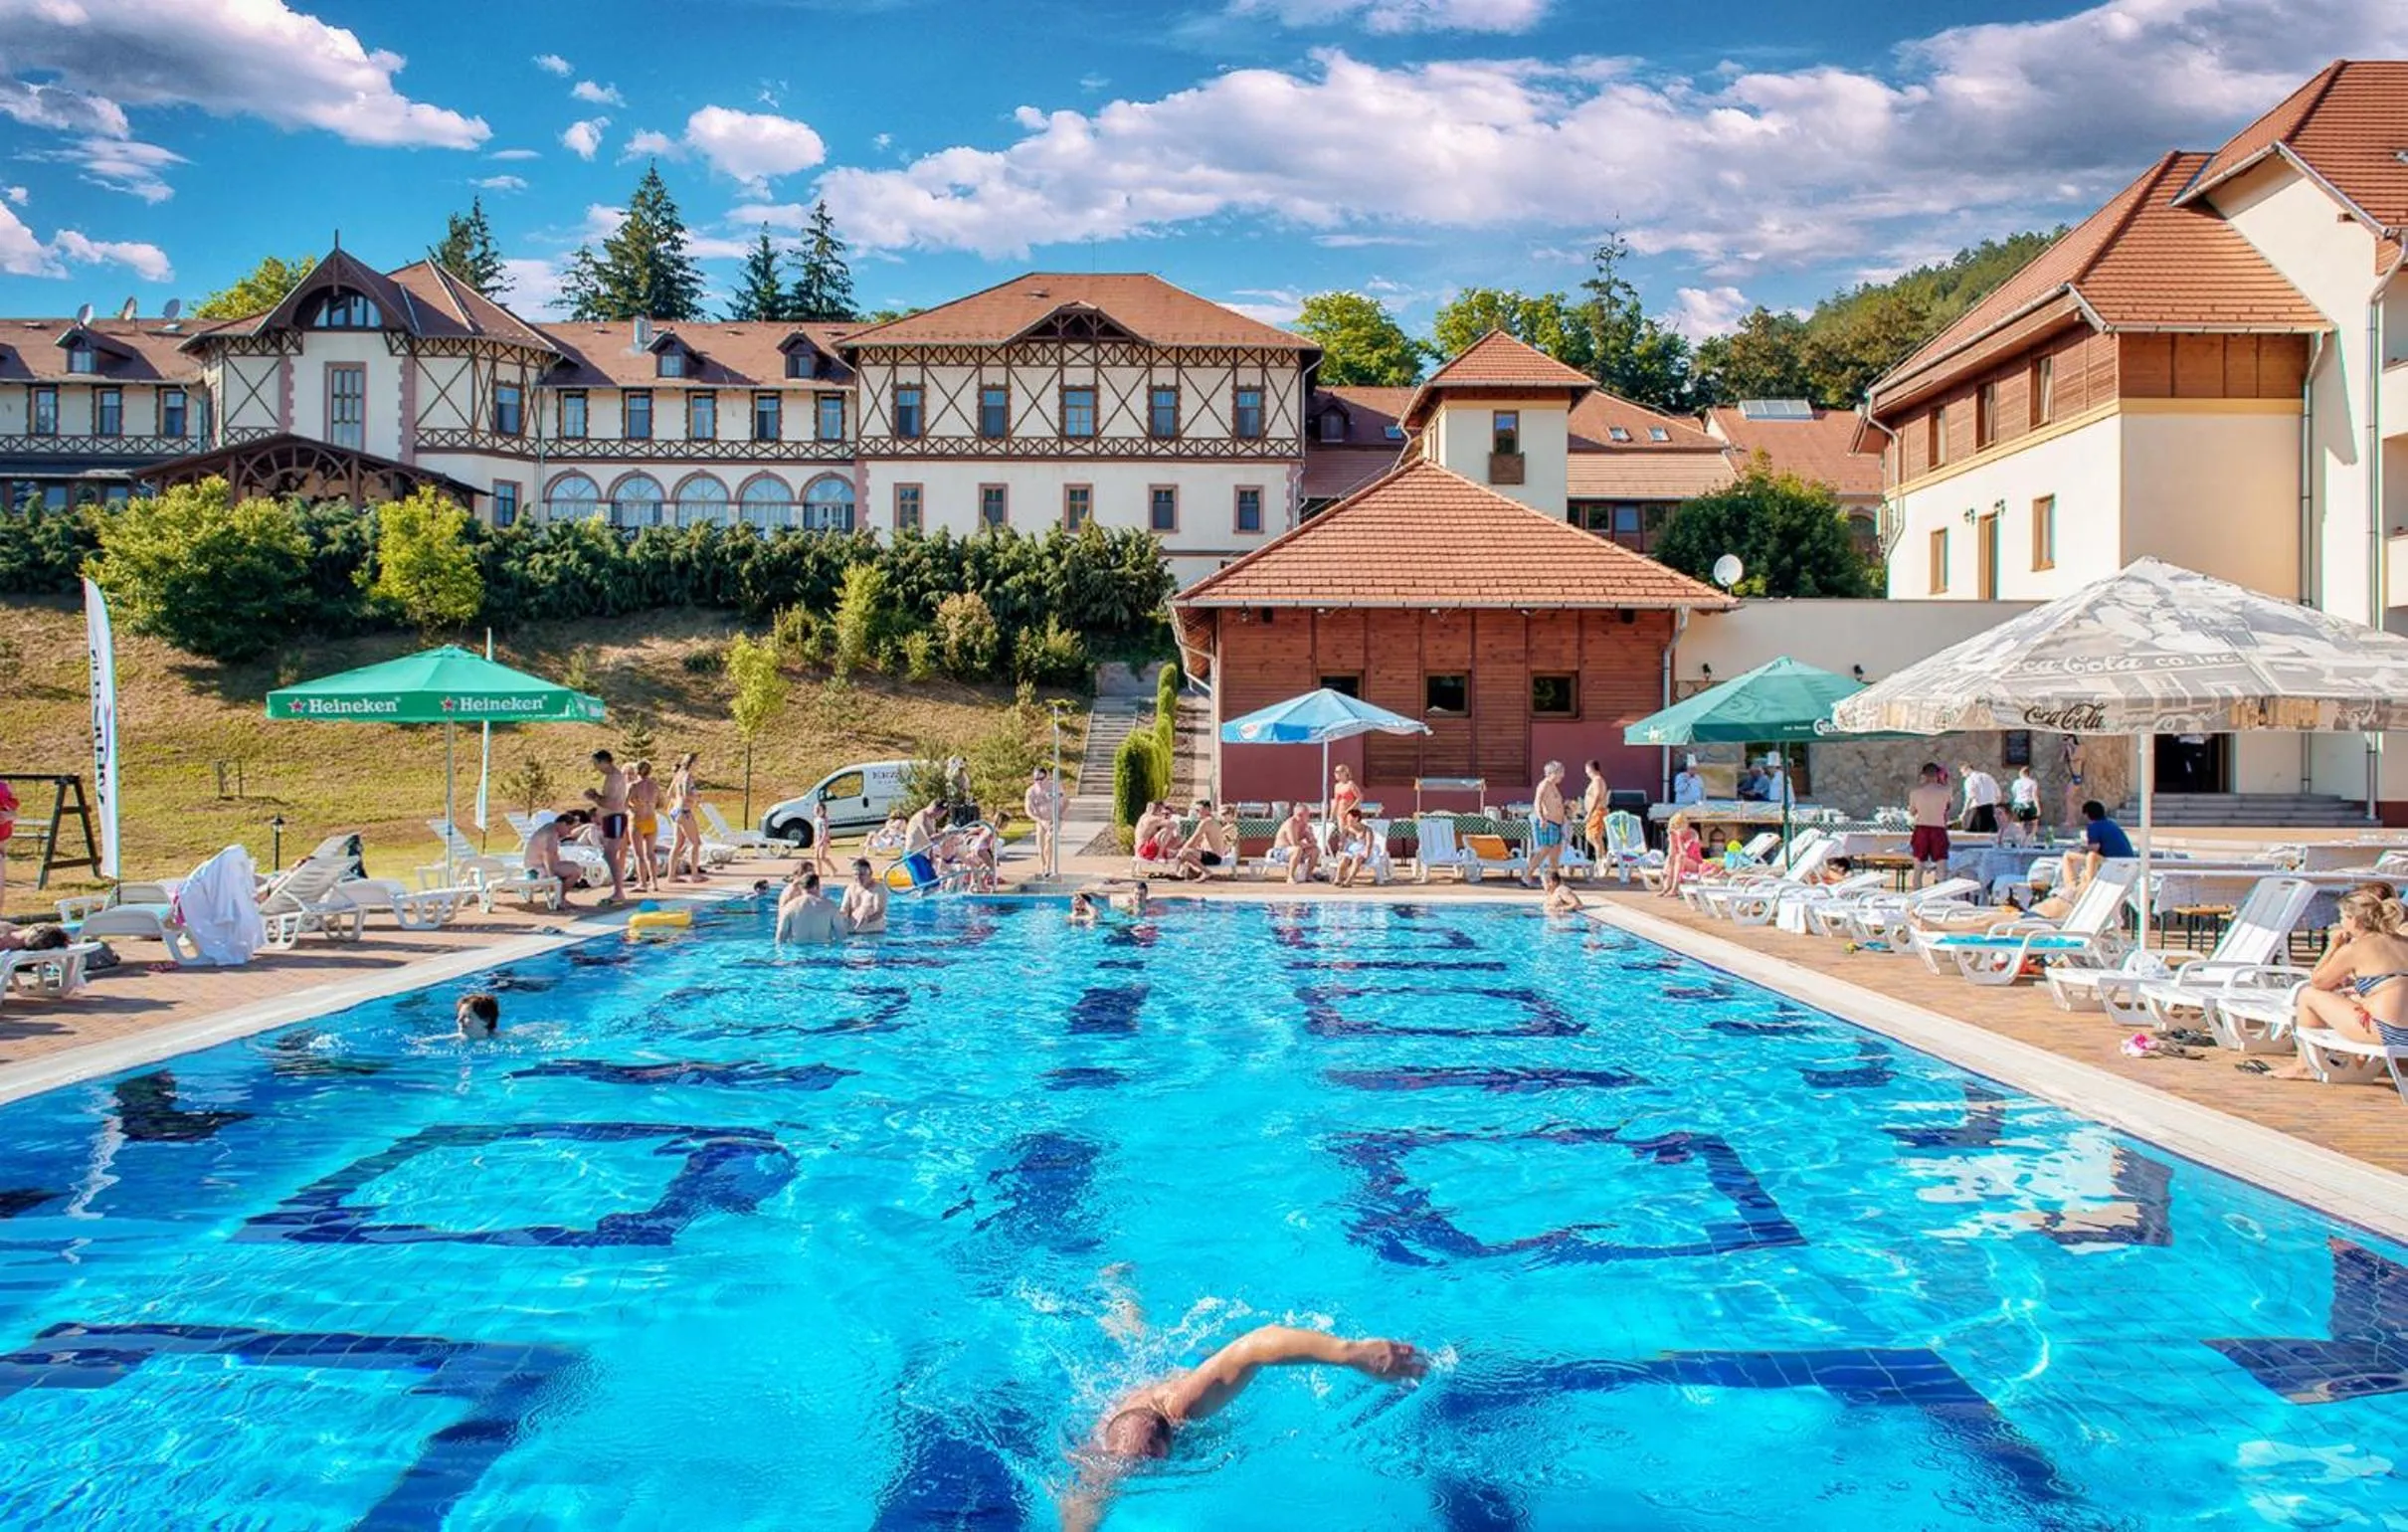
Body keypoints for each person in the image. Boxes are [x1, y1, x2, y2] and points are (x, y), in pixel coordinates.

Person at [1062, 1322, 1425, 1531]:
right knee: (1133, 1339)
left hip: (1187, 1368)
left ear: (1167, 1445)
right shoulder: (1104, 1462)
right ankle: (1122, 1297)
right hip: (1129, 1391)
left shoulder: (1184, 1405)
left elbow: (1253, 1346)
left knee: (1176, 1349)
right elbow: (1081, 1512)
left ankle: (1124, 1298)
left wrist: (1351, 1353)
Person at [2274, 888, 2408, 1080]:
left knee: (2308, 995)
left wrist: (2333, 946)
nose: (2340, 923)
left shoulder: (2356, 949)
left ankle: (2304, 1065)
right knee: (2355, 999)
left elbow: (2318, 982)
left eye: (2342, 917)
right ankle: (2357, 1066)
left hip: (2388, 1033)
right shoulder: (2404, 941)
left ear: (2353, 919)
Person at [583, 751, 631, 905]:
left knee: (610, 854)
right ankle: (618, 891)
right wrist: (597, 796)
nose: (595, 767)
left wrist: (594, 797)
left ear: (604, 762)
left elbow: (613, 804)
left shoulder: (614, 778)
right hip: (612, 818)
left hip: (615, 818)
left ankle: (619, 892)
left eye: (596, 764)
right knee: (609, 854)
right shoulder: (613, 777)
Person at [2059, 799, 2135, 892]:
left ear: (2087, 814)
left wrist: (2082, 847)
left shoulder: (2094, 826)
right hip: (2128, 861)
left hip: (2112, 862)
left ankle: (2070, 888)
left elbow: (2094, 848)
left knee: (2068, 856)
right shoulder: (2111, 823)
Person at [1908, 763, 1954, 888]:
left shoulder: (1915, 792)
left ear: (1923, 775)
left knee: (1918, 866)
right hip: (1938, 827)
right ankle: (1941, 893)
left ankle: (1916, 892)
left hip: (1921, 827)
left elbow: (1912, 812)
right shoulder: (1946, 791)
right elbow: (1947, 808)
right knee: (1941, 863)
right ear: (1937, 774)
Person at [522, 810, 585, 904]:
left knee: (574, 866)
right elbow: (548, 853)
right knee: (576, 870)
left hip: (536, 867)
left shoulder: (550, 829)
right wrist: (552, 876)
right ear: (563, 824)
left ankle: (559, 897)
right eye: (569, 829)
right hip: (536, 870)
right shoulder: (551, 833)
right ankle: (558, 899)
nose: (568, 833)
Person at [665, 752, 707, 885]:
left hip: (676, 811)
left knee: (678, 844)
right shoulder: (688, 775)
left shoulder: (678, 774)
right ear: (693, 763)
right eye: (697, 763)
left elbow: (669, 793)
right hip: (684, 811)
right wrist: (696, 797)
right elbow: (686, 792)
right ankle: (694, 875)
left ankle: (671, 875)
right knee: (696, 843)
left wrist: (676, 801)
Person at [1528, 760, 1569, 886]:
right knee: (1544, 850)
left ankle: (1555, 881)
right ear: (1553, 772)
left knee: (1555, 854)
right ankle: (1527, 875)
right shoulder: (1544, 785)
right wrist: (1541, 818)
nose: (1563, 775)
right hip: (1548, 822)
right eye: (1561, 772)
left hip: (1556, 823)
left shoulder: (1553, 786)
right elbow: (1537, 802)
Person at [776, 867, 842, 943]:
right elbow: (841, 935)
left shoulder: (789, 907)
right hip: (822, 950)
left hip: (797, 952)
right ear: (817, 886)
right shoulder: (830, 906)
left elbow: (780, 937)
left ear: (801, 887)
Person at [626, 761, 661, 893]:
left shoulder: (633, 786)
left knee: (639, 854)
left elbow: (623, 804)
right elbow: (661, 803)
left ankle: (642, 883)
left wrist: (632, 808)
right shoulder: (655, 786)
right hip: (651, 819)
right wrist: (649, 805)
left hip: (638, 820)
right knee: (650, 853)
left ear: (636, 771)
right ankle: (655, 882)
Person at [1178, 798, 1231, 879]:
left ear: (1207, 809)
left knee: (1185, 853)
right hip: (1214, 856)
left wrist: (1182, 851)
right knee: (1186, 853)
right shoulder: (1212, 821)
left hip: (1214, 857)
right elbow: (1196, 842)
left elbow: (1194, 838)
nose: (1196, 812)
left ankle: (1206, 872)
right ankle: (1183, 872)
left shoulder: (1206, 822)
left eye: (1198, 809)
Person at [1025, 766, 1065, 876]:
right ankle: (1043, 865)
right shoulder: (1031, 791)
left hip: (1053, 819)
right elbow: (1028, 810)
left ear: (1046, 776)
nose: (1038, 781)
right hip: (1040, 820)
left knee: (1049, 840)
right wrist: (1040, 821)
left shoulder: (1055, 787)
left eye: (1041, 778)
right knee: (1040, 844)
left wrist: (1059, 817)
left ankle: (1048, 866)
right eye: (1036, 779)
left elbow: (1066, 802)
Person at [1655, 812, 1704, 898]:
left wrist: (1679, 838)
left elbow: (1684, 853)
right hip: (1679, 863)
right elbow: (1671, 853)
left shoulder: (1693, 834)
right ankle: (1666, 888)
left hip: (1694, 864)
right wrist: (1671, 839)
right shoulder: (1674, 835)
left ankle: (1674, 888)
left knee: (1680, 857)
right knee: (1670, 858)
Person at [1270, 803, 1320, 883]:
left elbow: (1314, 842)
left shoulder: (1304, 825)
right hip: (1281, 852)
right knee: (1297, 849)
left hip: (1295, 852)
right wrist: (1310, 844)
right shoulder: (1291, 824)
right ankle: (1290, 876)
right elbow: (1294, 843)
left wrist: (1310, 834)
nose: (1309, 817)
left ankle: (1308, 875)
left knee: (1315, 850)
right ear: (1300, 815)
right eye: (1307, 815)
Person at [839, 857, 887, 934]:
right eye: (855, 875)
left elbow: (879, 911)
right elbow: (844, 909)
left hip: (873, 933)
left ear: (870, 873)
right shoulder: (851, 888)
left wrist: (866, 919)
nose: (858, 878)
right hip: (852, 932)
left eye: (862, 874)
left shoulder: (878, 888)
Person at [1957, 761, 2002, 836]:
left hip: (1977, 810)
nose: (1963, 775)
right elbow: (1998, 794)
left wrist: (1964, 812)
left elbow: (1970, 797)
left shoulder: (1970, 780)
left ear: (1967, 769)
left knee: (1973, 834)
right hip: (1990, 808)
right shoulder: (1988, 776)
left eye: (1962, 773)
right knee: (1990, 834)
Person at [1579, 761, 1609, 862]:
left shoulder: (1597, 780)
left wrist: (1590, 812)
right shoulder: (1596, 780)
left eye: (1586, 769)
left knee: (1595, 837)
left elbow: (1597, 796)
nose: (1586, 772)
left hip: (1597, 811)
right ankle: (1602, 859)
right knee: (1592, 837)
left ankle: (1601, 861)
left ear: (1590, 769)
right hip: (1595, 812)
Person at [2007, 766, 2042, 846]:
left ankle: (2021, 840)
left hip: (2018, 804)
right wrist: (2038, 807)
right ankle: (2029, 839)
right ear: (2028, 774)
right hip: (2028, 804)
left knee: (2020, 824)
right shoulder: (2032, 782)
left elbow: (2014, 794)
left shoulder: (2016, 782)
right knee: (2034, 823)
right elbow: (2034, 796)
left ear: (2021, 773)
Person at [2061, 736, 2087, 834]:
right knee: (2069, 798)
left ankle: (2070, 820)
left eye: (2067, 738)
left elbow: (2073, 758)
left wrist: (2069, 748)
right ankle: (2071, 819)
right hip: (2072, 777)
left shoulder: (2079, 748)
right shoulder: (2070, 750)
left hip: (2077, 776)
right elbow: (2061, 760)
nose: (2066, 740)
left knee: (2069, 798)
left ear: (2072, 738)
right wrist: (2064, 750)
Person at [812, 796, 834, 879]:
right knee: (816, 857)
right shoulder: (815, 819)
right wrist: (814, 841)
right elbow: (815, 831)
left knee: (822, 857)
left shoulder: (824, 819)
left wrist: (822, 841)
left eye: (819, 809)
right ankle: (819, 873)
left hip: (824, 841)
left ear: (823, 810)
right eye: (815, 809)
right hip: (818, 840)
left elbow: (825, 831)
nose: (817, 811)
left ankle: (833, 869)